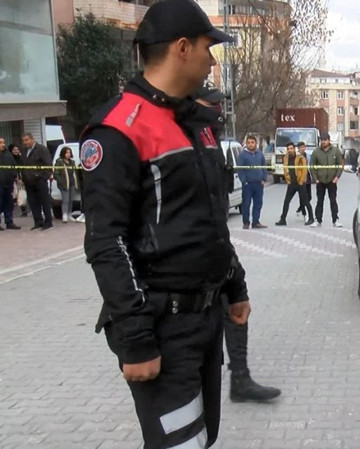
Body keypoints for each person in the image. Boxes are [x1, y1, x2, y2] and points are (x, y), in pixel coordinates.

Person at [80, 1, 252, 447]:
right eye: (206, 48)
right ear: (181, 48)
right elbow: (104, 241)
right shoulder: (117, 129)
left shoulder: (197, 123)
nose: (211, 60)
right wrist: (136, 340)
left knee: (200, 438)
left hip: (206, 319)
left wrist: (235, 287)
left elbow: (211, 218)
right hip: (160, 327)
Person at [193, 84, 282, 403]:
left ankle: (240, 379)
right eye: (211, 103)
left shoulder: (209, 138)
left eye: (219, 105)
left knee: (236, 305)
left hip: (217, 243)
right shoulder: (187, 136)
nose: (217, 110)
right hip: (191, 252)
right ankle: (207, 385)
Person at [275, 142, 315, 226]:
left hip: (300, 183)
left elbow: (304, 170)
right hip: (291, 183)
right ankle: (283, 219)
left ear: (294, 149)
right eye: (288, 149)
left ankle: (311, 218)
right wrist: (287, 180)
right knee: (286, 201)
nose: (290, 150)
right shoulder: (285, 158)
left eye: (291, 148)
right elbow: (285, 169)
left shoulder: (300, 158)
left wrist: (301, 181)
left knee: (306, 201)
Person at [309, 132, 344, 227]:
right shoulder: (316, 152)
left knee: (333, 201)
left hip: (332, 180)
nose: (323, 142)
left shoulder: (336, 151)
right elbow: (311, 166)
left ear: (329, 140)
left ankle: (335, 220)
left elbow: (340, 165)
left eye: (325, 140)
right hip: (320, 181)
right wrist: (315, 179)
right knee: (319, 201)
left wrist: (337, 177)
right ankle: (318, 220)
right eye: (322, 140)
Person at [20, 133, 53, 230]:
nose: (25, 142)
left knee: (44, 201)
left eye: (27, 140)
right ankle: (38, 221)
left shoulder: (42, 149)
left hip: (39, 180)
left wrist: (42, 177)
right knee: (33, 202)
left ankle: (48, 222)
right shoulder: (24, 151)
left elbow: (48, 165)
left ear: (32, 139)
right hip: (28, 181)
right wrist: (23, 177)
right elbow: (23, 165)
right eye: (23, 141)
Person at [237, 135, 267, 229]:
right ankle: (246, 222)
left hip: (258, 183)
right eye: (248, 143)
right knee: (246, 204)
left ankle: (256, 222)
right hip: (248, 184)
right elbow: (240, 169)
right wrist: (244, 181)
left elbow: (264, 166)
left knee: (258, 204)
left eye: (252, 142)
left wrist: (264, 179)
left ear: (255, 143)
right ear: (246, 144)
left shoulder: (260, 154)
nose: (250, 144)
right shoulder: (242, 155)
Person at [54, 145, 80, 223]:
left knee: (71, 200)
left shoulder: (72, 162)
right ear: (63, 153)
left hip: (72, 184)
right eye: (66, 152)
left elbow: (75, 173)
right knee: (65, 200)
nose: (68, 154)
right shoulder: (59, 162)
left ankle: (69, 214)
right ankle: (64, 215)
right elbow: (56, 174)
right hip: (64, 184)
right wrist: (61, 182)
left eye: (69, 152)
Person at [0, 137, 21, 230]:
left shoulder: (8, 153)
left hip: (9, 183)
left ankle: (9, 221)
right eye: (0, 143)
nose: (3, 144)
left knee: (9, 203)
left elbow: (14, 165)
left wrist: (14, 176)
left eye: (3, 142)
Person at [295, 141, 313, 219]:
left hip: (307, 178)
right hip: (300, 179)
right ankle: (304, 213)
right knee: (302, 196)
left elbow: (310, 166)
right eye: (300, 148)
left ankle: (300, 207)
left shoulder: (308, 156)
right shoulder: (297, 157)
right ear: (298, 149)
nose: (302, 149)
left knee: (309, 197)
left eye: (303, 147)